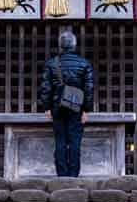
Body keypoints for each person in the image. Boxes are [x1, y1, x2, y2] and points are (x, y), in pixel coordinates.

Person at [37, 30, 95, 177]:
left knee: (60, 141)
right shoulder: (84, 64)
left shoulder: (51, 64)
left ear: (60, 46)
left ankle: (61, 175)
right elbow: (89, 88)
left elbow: (46, 87)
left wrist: (47, 107)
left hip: (57, 106)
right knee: (75, 142)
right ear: (74, 46)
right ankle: (74, 176)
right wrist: (86, 110)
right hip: (77, 107)